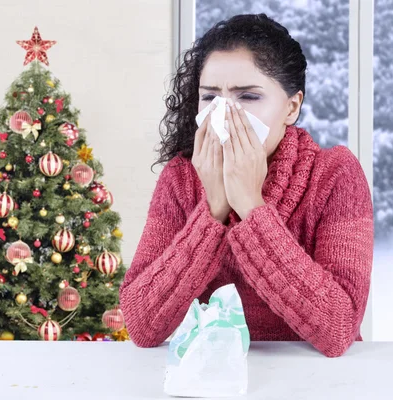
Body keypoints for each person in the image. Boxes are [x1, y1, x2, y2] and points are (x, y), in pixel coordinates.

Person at [119, 13, 374, 357]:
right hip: (212, 378)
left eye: (249, 97)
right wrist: (213, 211)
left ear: (291, 107)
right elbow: (141, 325)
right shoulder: (181, 178)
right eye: (210, 98)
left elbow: (338, 327)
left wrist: (251, 206)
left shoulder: (334, 175)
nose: (225, 113)